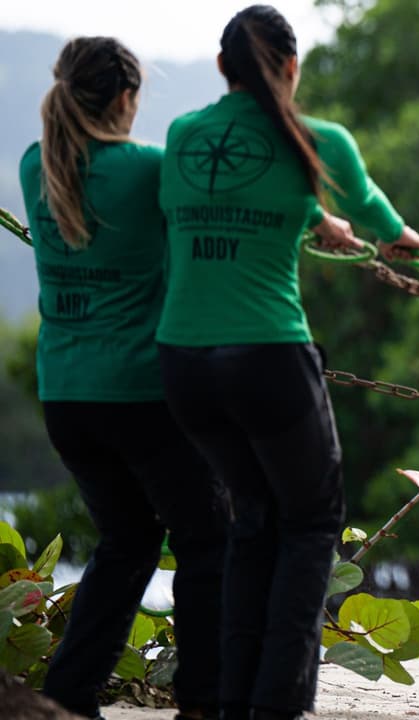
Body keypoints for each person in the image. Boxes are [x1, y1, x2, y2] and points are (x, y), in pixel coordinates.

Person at [156, 6, 419, 720]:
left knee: (254, 518)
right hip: (267, 357)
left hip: (182, 363)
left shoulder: (183, 136)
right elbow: (376, 213)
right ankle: (277, 704)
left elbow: (220, 201)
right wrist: (400, 238)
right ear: (292, 67)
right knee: (310, 522)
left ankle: (234, 695)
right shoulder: (319, 140)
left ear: (222, 69)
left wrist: (311, 220)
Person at [19, 37, 229, 720]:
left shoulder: (35, 164)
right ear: (126, 98)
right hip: (136, 391)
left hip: (64, 396)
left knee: (130, 538)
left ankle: (69, 696)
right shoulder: (146, 168)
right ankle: (202, 700)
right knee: (205, 537)